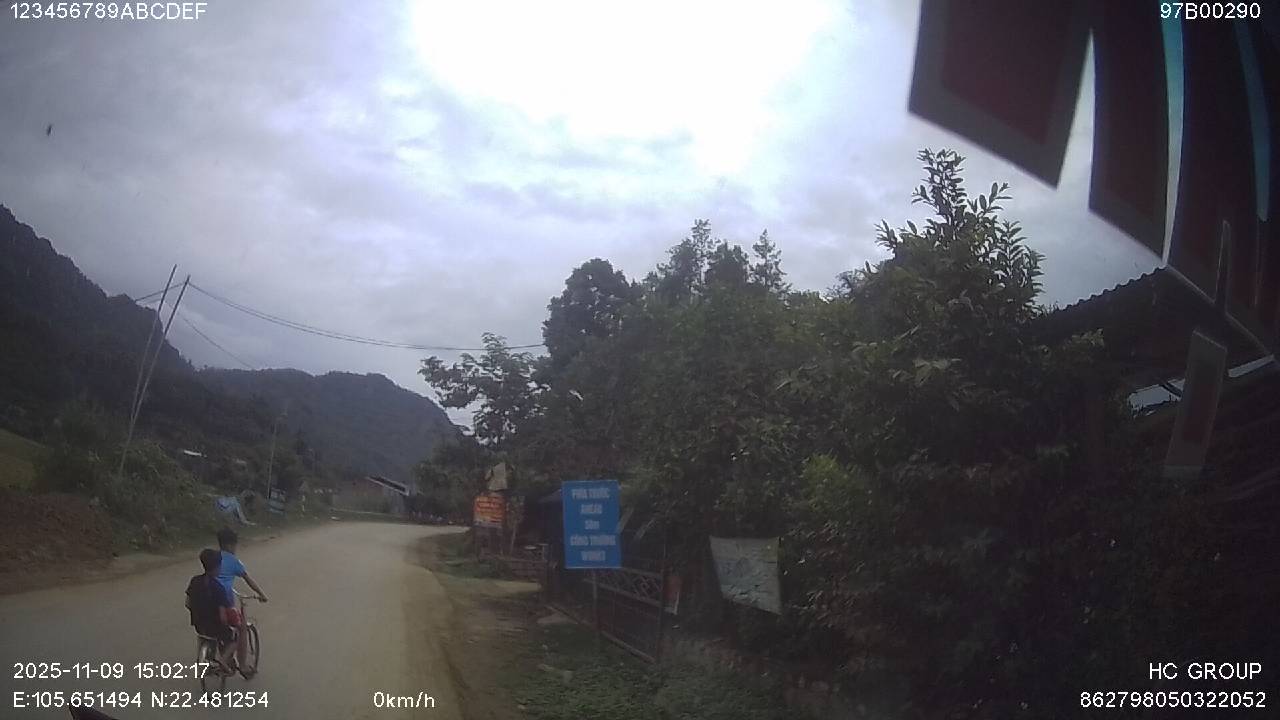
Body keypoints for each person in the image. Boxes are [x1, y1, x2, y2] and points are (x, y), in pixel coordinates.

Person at [215, 528, 268, 676]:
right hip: (225, 603)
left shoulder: (213, 558)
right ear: (230, 545)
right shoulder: (233, 561)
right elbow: (248, 579)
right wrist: (261, 594)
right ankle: (242, 666)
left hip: (208, 603)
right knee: (241, 629)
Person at [184, 548, 236, 670]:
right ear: (217, 567)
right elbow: (223, 617)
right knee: (234, 638)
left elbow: (187, 603)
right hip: (214, 626)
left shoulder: (195, 581)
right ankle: (223, 660)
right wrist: (228, 624)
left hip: (198, 624)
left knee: (207, 635)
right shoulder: (219, 588)